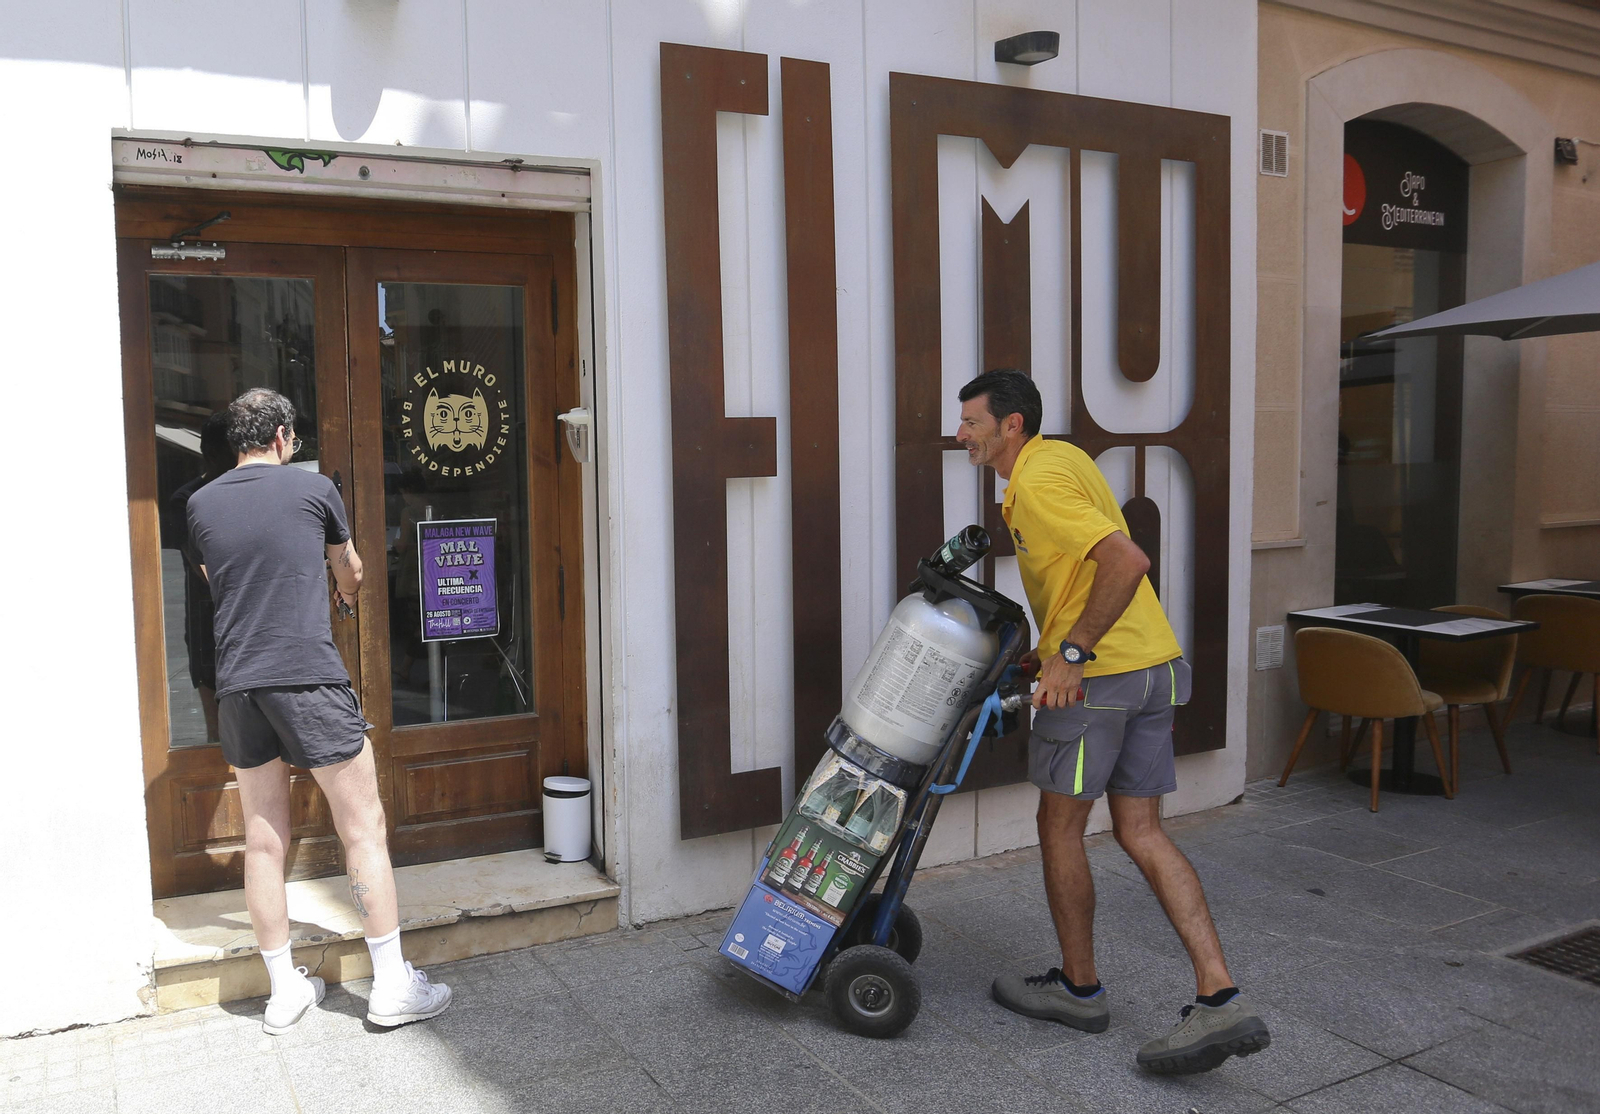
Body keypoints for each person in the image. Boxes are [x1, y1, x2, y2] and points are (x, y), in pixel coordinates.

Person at [955, 369, 1269, 1074]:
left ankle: (1079, 990)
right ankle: (1219, 994)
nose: (960, 433)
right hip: (1152, 666)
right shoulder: (1059, 459)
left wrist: (1070, 655)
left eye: (971, 421)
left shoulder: (1034, 483)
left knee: (1058, 826)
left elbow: (1126, 559)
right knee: (1142, 829)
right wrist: (1048, 651)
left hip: (1101, 681)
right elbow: (1084, 571)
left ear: (1011, 425)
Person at [186, 388, 452, 1034]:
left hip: (239, 685)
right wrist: (340, 588)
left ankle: (284, 992)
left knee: (263, 837)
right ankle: (390, 985)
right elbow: (352, 570)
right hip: (306, 675)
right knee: (363, 825)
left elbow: (210, 579)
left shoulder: (199, 504)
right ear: (281, 436)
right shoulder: (314, 492)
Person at [169, 410, 236, 743]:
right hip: (208, 624)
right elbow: (209, 573)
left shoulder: (249, 492)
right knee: (219, 733)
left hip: (250, 624)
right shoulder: (187, 500)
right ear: (211, 454)